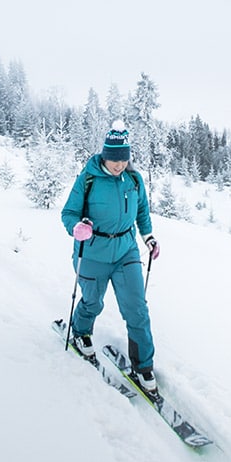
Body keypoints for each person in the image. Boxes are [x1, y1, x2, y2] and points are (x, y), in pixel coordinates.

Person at [61, 121, 161, 393]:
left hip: (126, 251)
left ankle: (143, 367)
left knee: (137, 309)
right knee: (93, 302)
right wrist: (76, 227)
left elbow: (141, 212)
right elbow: (68, 213)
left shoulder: (134, 180)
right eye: (114, 159)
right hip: (93, 251)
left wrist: (148, 237)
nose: (118, 165)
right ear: (105, 155)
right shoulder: (88, 179)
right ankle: (81, 331)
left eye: (123, 159)